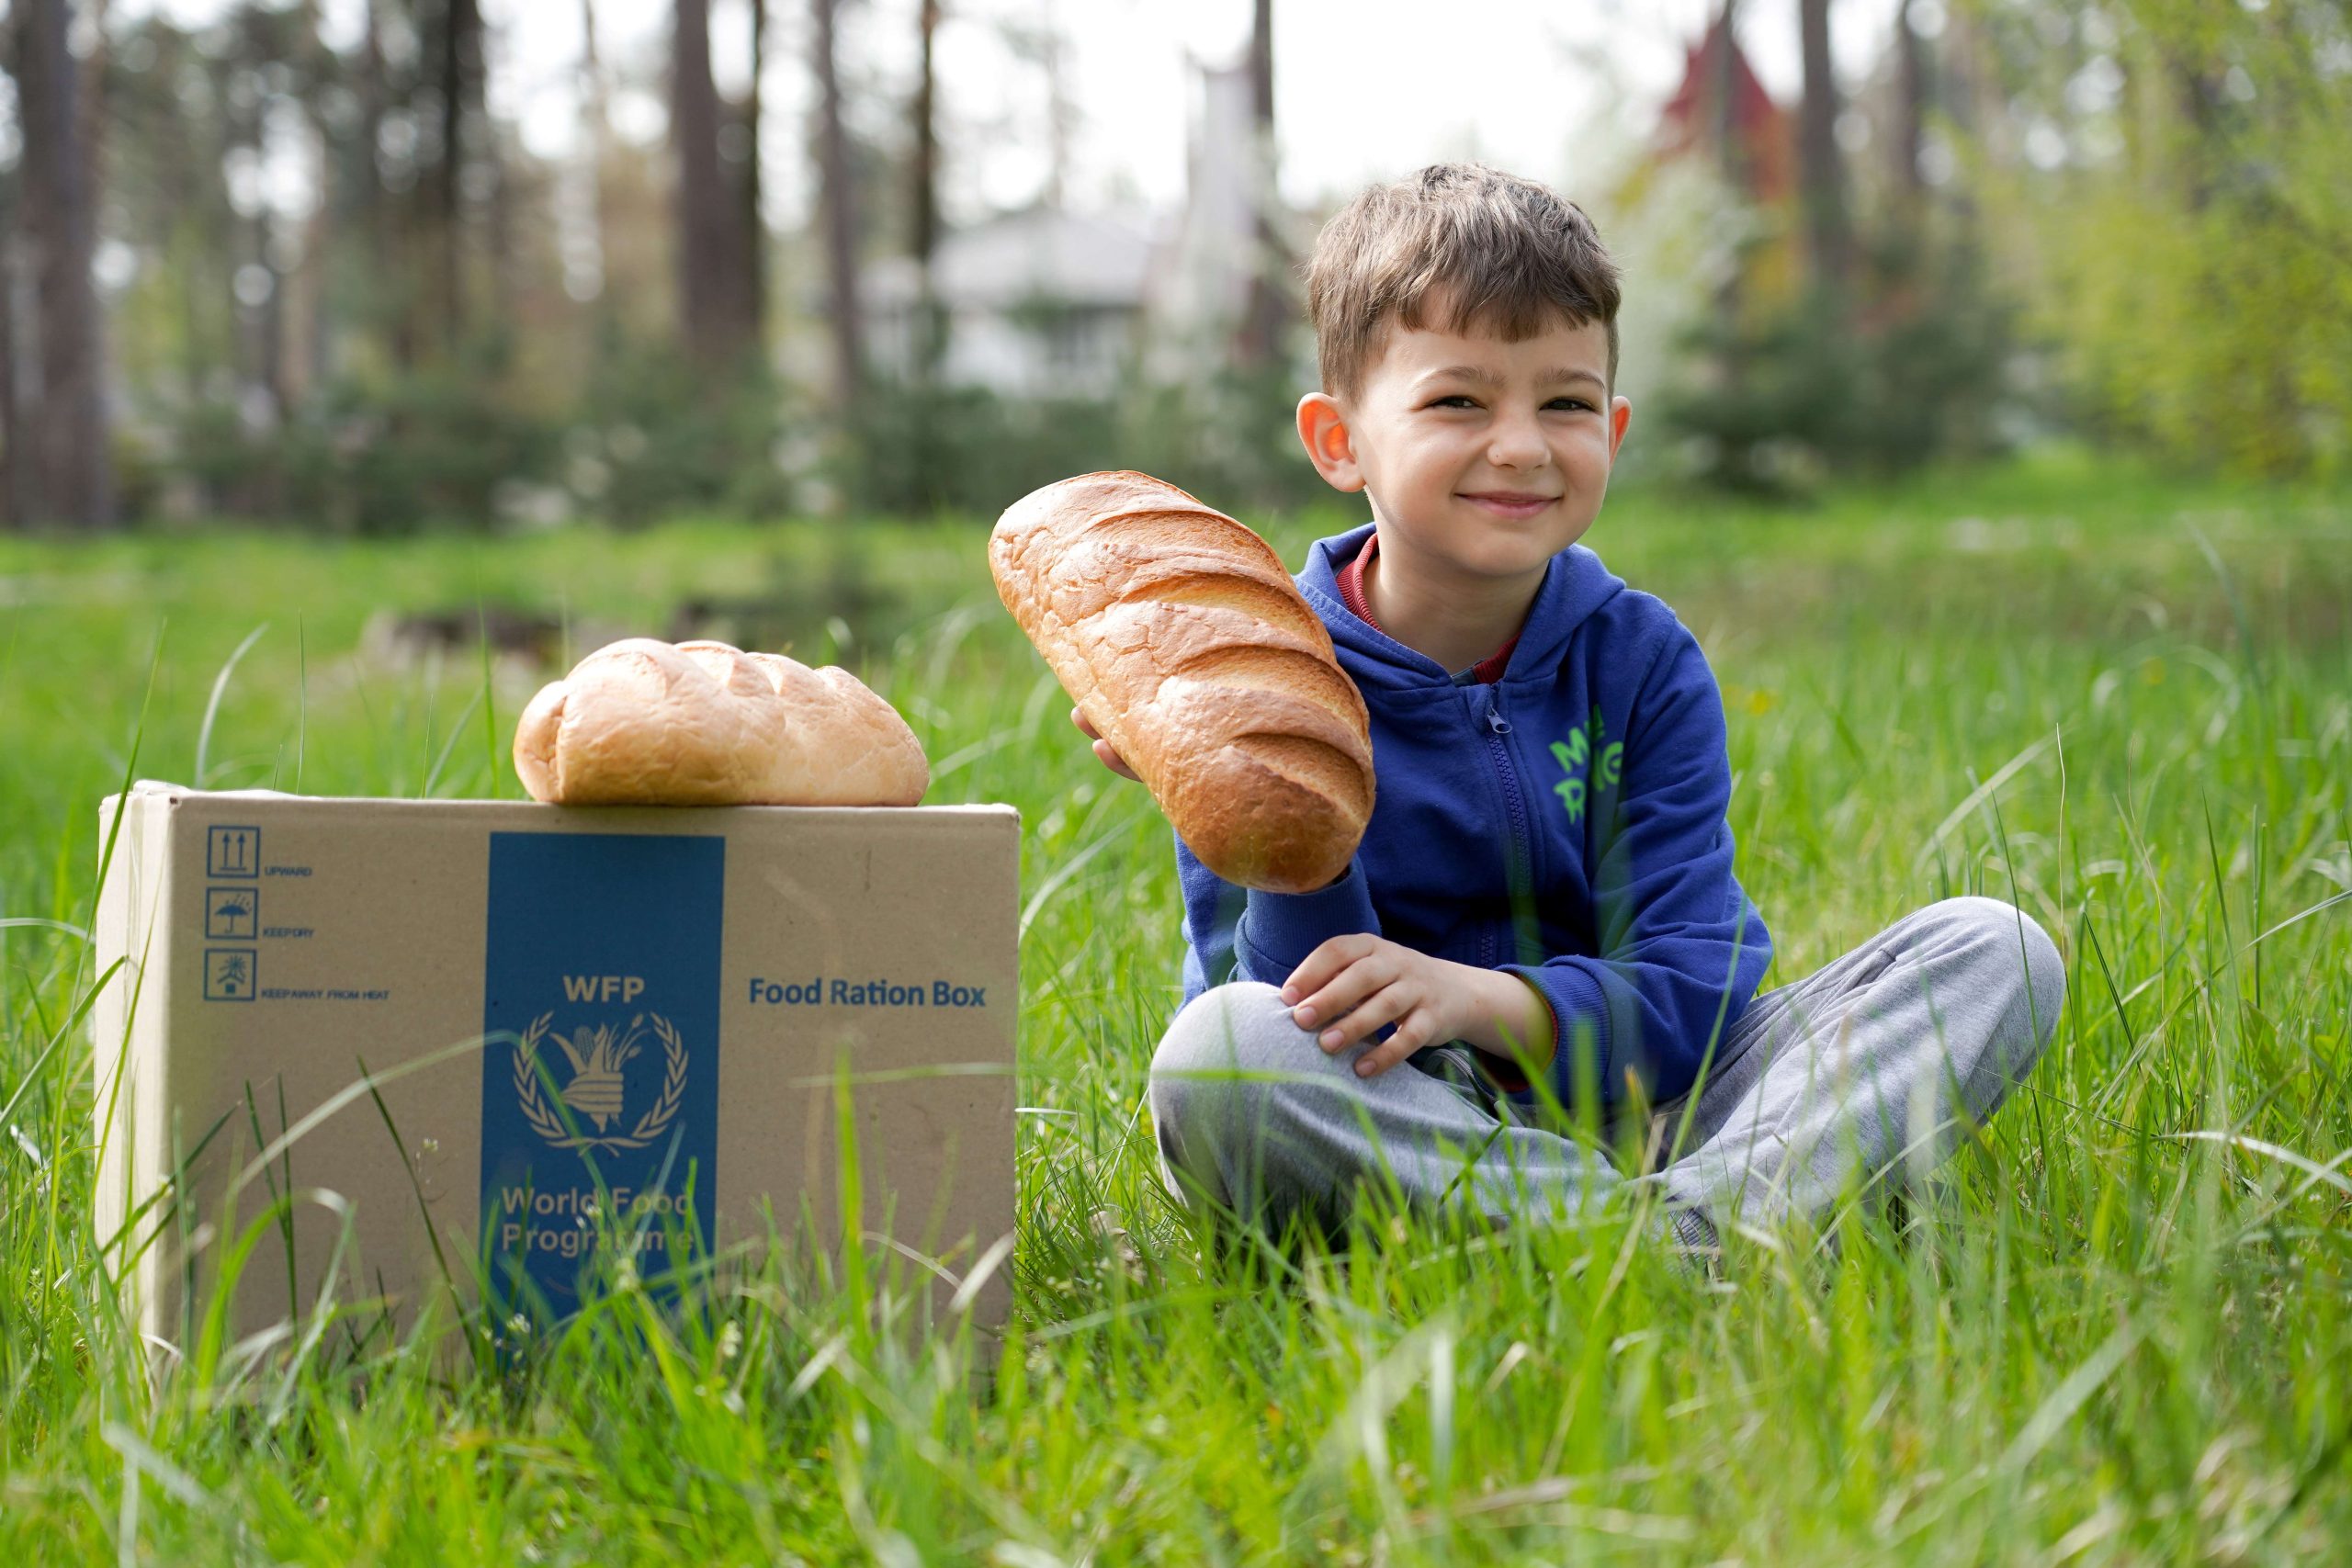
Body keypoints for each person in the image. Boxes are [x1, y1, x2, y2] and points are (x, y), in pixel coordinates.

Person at [1074, 163, 2065, 1248]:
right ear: (1338, 439)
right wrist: (1266, 818)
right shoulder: (1250, 677)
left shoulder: (1640, 662)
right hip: (1398, 1109)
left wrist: (1486, 998)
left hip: (1656, 1108)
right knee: (1222, 1058)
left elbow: (1692, 990)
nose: (1521, 444)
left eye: (1565, 401)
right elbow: (1285, 1002)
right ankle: (1701, 1236)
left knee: (1993, 950)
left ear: (1615, 428)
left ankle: (1648, 1232)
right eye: (1457, 398)